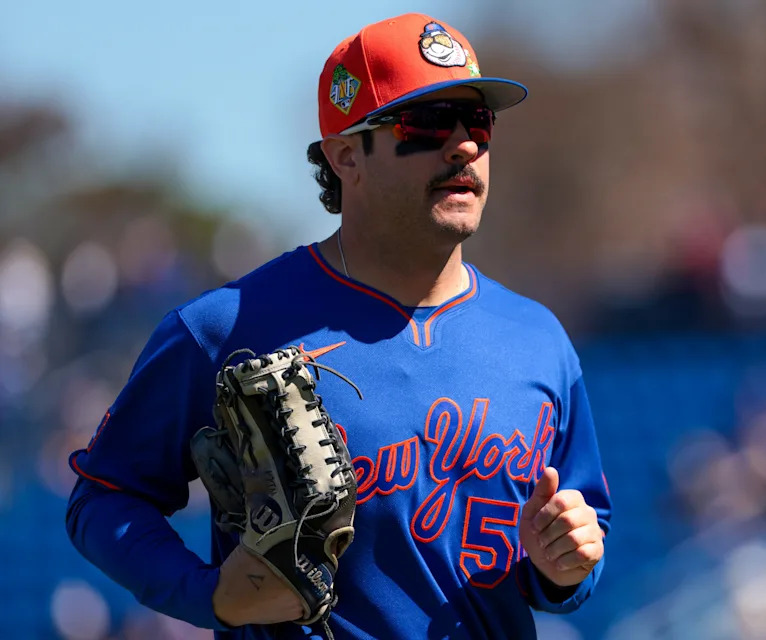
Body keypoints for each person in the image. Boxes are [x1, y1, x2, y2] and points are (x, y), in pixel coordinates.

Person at [66, 13, 612, 639]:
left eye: (478, 122)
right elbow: (104, 496)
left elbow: (579, 536)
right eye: (428, 122)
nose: (463, 145)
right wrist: (209, 594)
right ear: (346, 154)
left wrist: (565, 566)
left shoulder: (538, 339)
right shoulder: (227, 327)